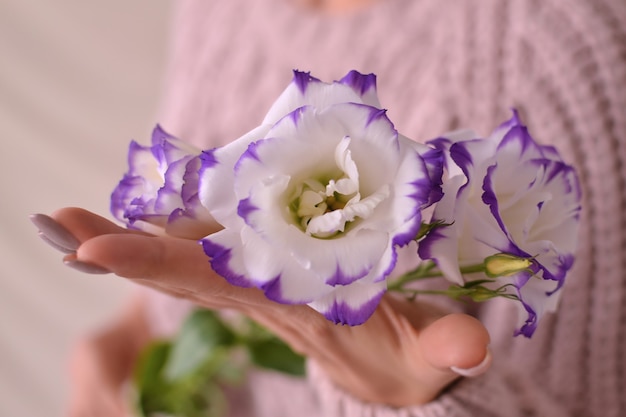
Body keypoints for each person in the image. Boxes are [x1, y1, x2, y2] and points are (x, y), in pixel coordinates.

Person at [31, 0, 626, 415]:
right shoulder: (215, 8)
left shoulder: (553, 42)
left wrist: (410, 402)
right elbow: (201, 255)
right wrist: (125, 342)